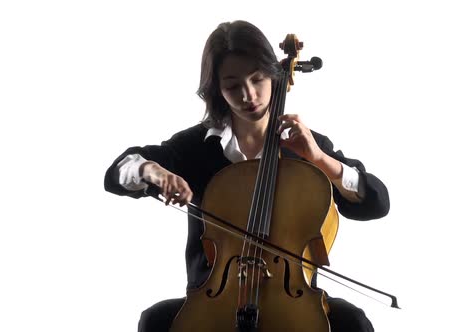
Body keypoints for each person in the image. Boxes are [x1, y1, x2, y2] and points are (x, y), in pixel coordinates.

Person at [104, 20, 390, 332]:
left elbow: (375, 202)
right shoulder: (196, 147)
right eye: (232, 86)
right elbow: (119, 170)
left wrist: (320, 159)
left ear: (274, 75)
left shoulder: (308, 146)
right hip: (215, 300)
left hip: (292, 300)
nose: (249, 95)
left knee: (354, 323)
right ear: (216, 89)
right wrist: (153, 171)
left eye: (257, 79)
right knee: (154, 321)